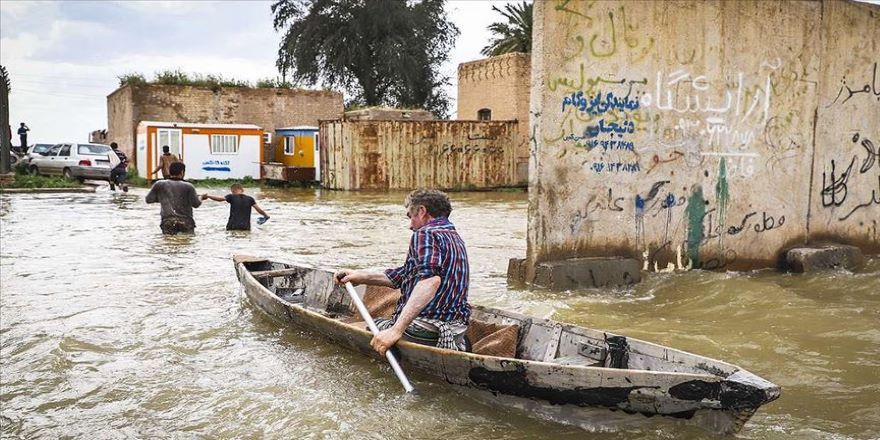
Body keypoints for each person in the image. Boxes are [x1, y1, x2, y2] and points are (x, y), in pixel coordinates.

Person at [335, 189, 471, 356]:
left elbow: (430, 281)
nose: (410, 225)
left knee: (368, 325)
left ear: (422, 211)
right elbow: (405, 275)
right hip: (457, 330)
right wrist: (362, 276)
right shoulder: (455, 237)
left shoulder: (425, 234)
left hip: (426, 330)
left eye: (410, 216)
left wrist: (396, 330)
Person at [145, 162, 202, 235]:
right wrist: (201, 197)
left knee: (169, 243)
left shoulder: (159, 184)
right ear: (182, 172)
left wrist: (163, 198)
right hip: (186, 222)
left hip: (168, 222)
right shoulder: (189, 186)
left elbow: (148, 200)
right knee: (186, 242)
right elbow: (196, 204)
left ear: (169, 171)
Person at [200, 183, 270, 231]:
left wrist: (208, 196)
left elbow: (220, 199)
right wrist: (266, 215)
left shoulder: (231, 196)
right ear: (242, 190)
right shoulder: (250, 199)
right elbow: (259, 210)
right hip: (245, 227)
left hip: (233, 226)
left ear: (232, 191)